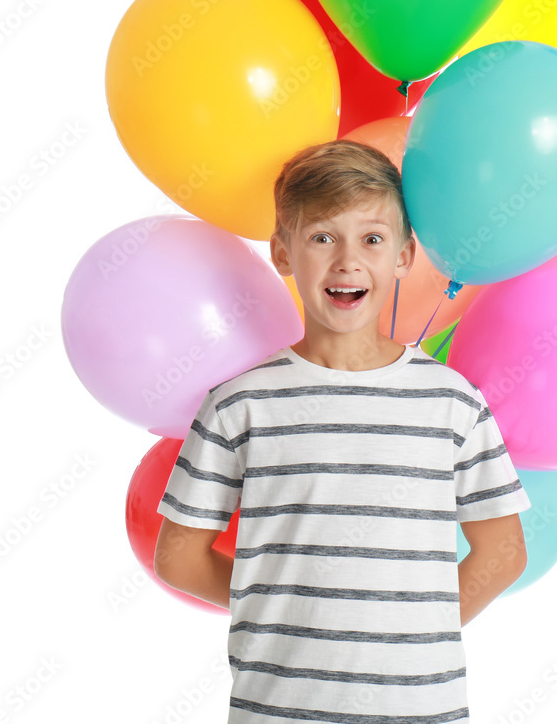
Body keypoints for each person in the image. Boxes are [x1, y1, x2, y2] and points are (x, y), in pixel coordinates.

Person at [154, 138, 530, 722]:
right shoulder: (240, 406)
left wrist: (403, 628)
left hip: (421, 709)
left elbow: (503, 552)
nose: (347, 261)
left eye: (372, 239)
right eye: (322, 237)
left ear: (404, 255)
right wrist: (294, 614)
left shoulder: (451, 403)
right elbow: (178, 558)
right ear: (283, 253)